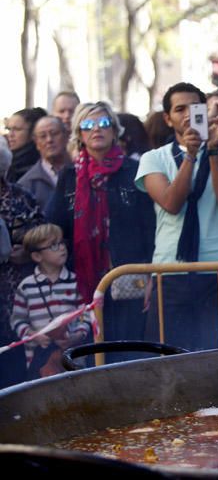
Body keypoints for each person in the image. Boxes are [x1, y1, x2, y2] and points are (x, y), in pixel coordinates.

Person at [136, 83, 218, 351]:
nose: (188, 114)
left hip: (217, 269)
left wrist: (212, 150)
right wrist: (189, 156)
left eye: (194, 107)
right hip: (170, 270)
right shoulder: (154, 158)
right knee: (168, 353)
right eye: (179, 109)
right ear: (167, 118)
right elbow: (171, 203)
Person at [46, 102, 155, 360]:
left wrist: (151, 271)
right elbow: (54, 225)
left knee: (128, 349)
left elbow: (150, 226)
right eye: (88, 125)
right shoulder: (70, 176)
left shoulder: (134, 170)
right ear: (79, 134)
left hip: (129, 274)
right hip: (83, 278)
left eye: (104, 123)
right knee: (92, 349)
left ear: (115, 131)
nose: (96, 129)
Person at [11, 224, 91, 380]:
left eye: (62, 243)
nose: (62, 248)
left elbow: (86, 314)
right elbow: (17, 320)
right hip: (40, 357)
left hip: (72, 357)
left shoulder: (74, 282)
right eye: (54, 245)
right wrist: (33, 335)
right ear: (37, 256)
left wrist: (78, 335)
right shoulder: (26, 286)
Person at [0, 140, 44, 388]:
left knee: (13, 377)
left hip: (14, 300)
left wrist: (27, 252)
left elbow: (44, 237)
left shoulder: (21, 197)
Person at [17, 116, 72, 210]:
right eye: (43, 136)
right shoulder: (26, 184)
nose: (49, 140)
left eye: (54, 134)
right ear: (36, 143)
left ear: (66, 136)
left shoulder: (81, 171)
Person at [5, 107, 46, 183]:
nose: (10, 134)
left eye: (17, 129)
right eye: (9, 129)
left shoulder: (40, 163)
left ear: (33, 133)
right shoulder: (6, 161)